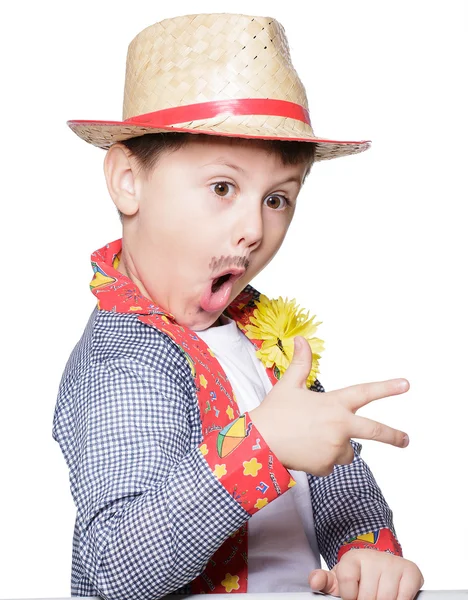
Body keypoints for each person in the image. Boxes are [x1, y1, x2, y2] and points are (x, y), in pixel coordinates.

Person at [52, 12, 424, 600]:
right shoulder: (123, 363)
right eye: (222, 187)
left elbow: (332, 478)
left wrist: (366, 552)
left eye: (277, 198)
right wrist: (262, 447)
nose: (254, 229)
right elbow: (118, 567)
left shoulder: (265, 337)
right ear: (129, 180)